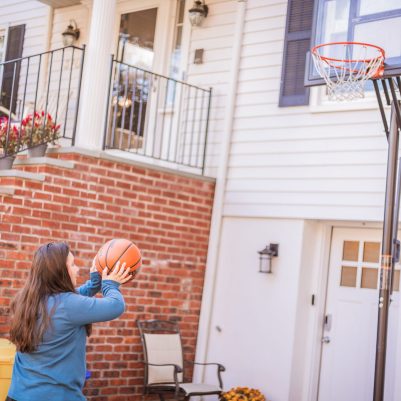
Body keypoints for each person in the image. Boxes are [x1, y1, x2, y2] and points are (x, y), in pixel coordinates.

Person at [6, 241, 131, 401]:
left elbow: (64, 303)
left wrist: (93, 285)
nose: (77, 269)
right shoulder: (68, 304)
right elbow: (116, 305)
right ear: (60, 272)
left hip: (17, 395)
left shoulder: (25, 301)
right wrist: (109, 285)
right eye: (72, 265)